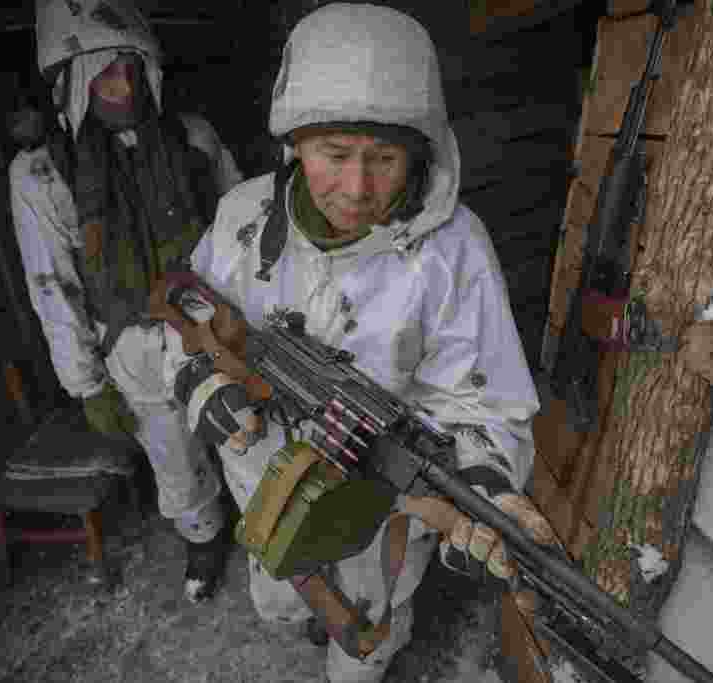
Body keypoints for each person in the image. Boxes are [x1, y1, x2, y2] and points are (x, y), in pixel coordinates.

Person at [109, 3, 556, 681]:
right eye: (335, 154)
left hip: (380, 524)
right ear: (295, 142)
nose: (356, 187)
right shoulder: (243, 221)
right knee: (282, 605)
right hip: (263, 488)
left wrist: (485, 490)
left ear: (421, 150)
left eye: (383, 158)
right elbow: (186, 319)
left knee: (366, 640)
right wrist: (203, 385)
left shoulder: (452, 251)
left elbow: (491, 404)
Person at [10, 0, 243, 602]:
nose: (121, 86)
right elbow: (51, 286)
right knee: (173, 452)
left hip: (212, 322)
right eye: (100, 74)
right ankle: (204, 536)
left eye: (130, 69)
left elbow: (243, 224)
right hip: (130, 339)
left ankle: (270, 532)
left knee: (246, 429)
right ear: (69, 84)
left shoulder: (193, 137)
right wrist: (85, 385)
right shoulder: (38, 174)